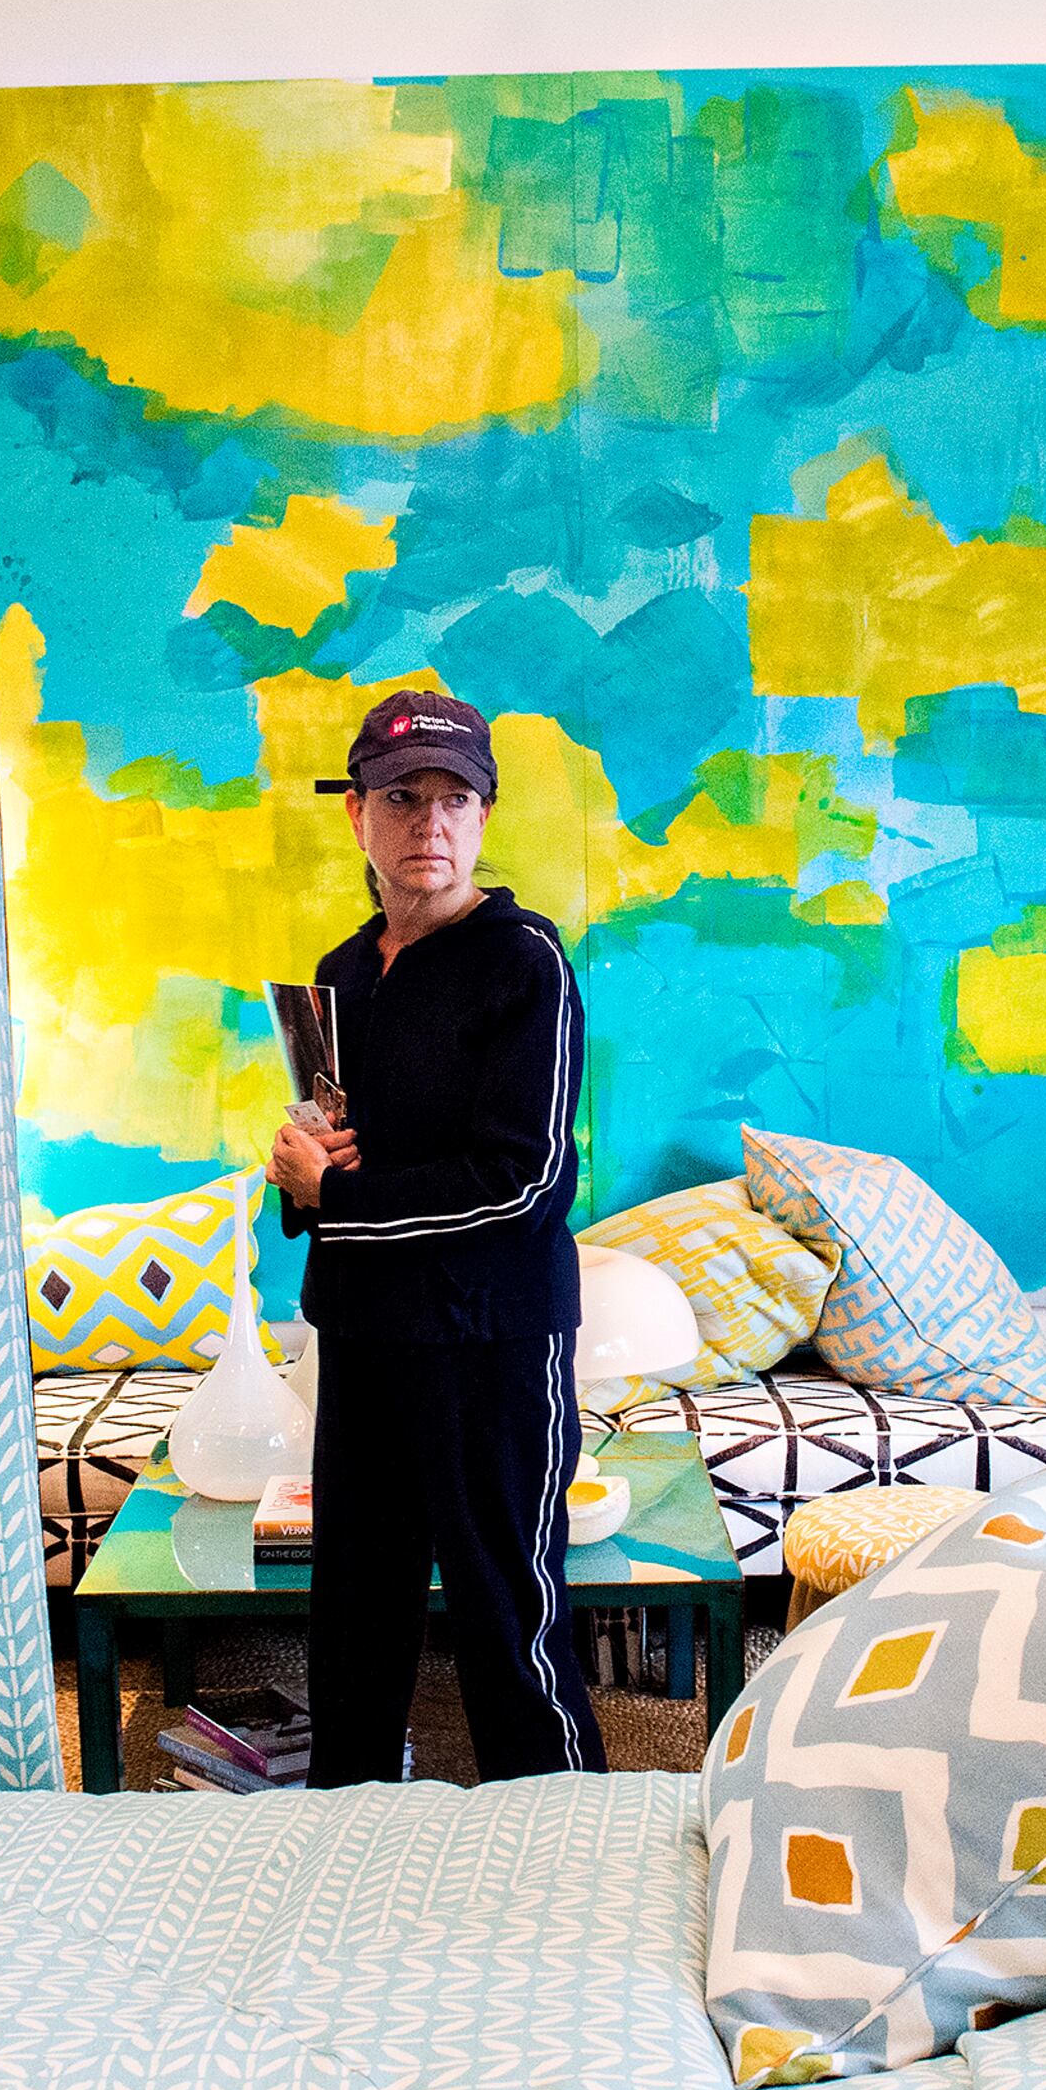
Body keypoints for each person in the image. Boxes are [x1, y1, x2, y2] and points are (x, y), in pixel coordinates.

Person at [269, 689, 606, 1786]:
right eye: (403, 796)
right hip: (364, 1337)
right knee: (353, 1622)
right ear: (356, 814)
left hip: (490, 1345)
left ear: (485, 816)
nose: (430, 822)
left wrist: (341, 1200)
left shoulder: (525, 963)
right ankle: (345, 1850)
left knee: (510, 1618)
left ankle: (572, 1850)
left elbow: (526, 1184)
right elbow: (344, 1154)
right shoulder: (343, 971)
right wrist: (302, 1174)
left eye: (455, 797)